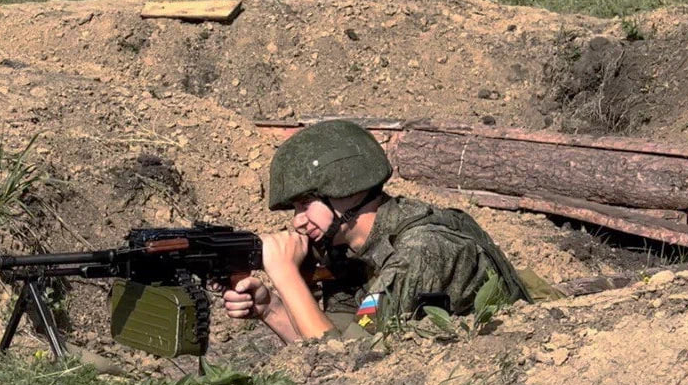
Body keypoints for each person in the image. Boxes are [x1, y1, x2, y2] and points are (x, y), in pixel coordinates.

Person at [222, 119, 534, 342]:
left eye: (305, 204)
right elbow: (343, 339)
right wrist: (272, 309)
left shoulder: (421, 251)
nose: (297, 221)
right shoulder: (353, 253)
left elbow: (345, 364)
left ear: (346, 190)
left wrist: (285, 275)